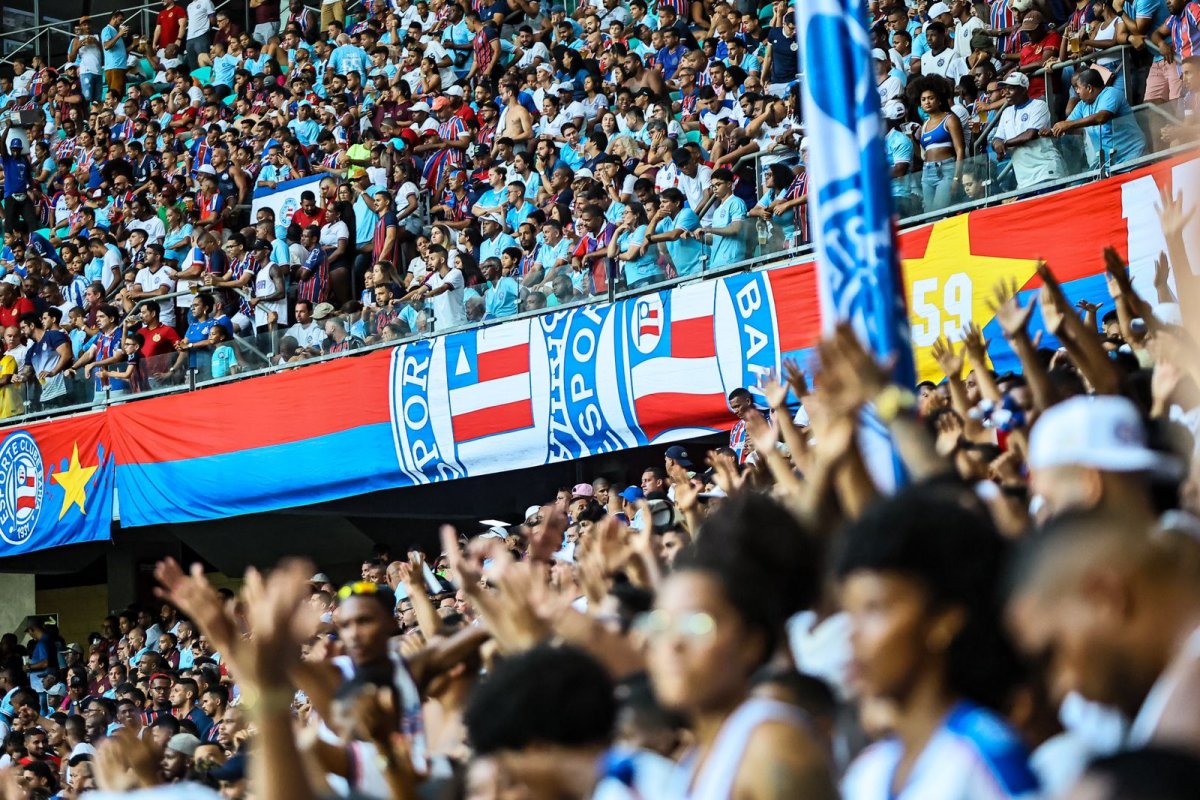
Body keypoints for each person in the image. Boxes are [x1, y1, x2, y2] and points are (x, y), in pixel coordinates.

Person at [840, 484, 1039, 799]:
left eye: (874, 610)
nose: (853, 635)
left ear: (944, 621)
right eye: (850, 614)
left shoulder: (985, 756)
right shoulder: (867, 774)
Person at [1046, 69, 1148, 167]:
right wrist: (1051, 131)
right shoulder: (1082, 104)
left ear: (1089, 88)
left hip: (1133, 157)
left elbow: (1101, 117)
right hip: (1109, 164)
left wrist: (1067, 125)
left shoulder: (1111, 93)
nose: (1077, 91)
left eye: (1078, 88)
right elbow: (1067, 125)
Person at [990, 72, 1067, 189]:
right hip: (1023, 179)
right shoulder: (1006, 112)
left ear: (1024, 89)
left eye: (1011, 89)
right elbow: (997, 137)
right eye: (1005, 89)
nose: (1006, 93)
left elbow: (1030, 134)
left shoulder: (1039, 105)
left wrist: (1004, 144)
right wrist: (997, 144)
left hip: (1045, 171)